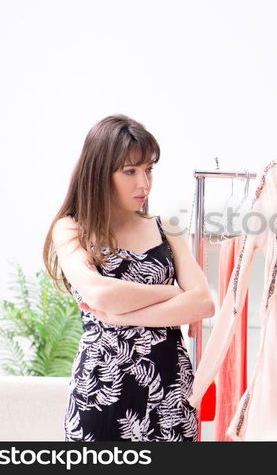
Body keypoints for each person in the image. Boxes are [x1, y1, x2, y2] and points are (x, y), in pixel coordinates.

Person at [43, 114, 215, 441]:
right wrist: (173, 293)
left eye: (149, 170)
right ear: (99, 172)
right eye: (130, 172)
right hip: (102, 390)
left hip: (170, 389)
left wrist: (117, 315)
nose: (144, 184)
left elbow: (204, 303)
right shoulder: (72, 228)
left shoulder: (167, 228)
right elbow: (100, 295)